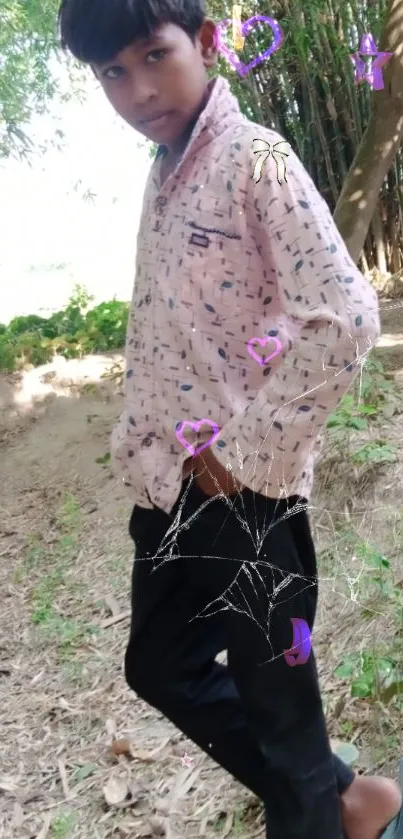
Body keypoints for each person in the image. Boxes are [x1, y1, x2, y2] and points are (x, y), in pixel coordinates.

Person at [58, 1, 403, 837]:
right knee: (159, 665)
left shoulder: (256, 159)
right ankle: (351, 797)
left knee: (280, 714)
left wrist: (245, 453)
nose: (138, 89)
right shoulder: (165, 165)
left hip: (247, 499)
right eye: (112, 72)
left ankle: (328, 811)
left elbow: (346, 317)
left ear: (207, 43)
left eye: (153, 55)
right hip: (170, 488)